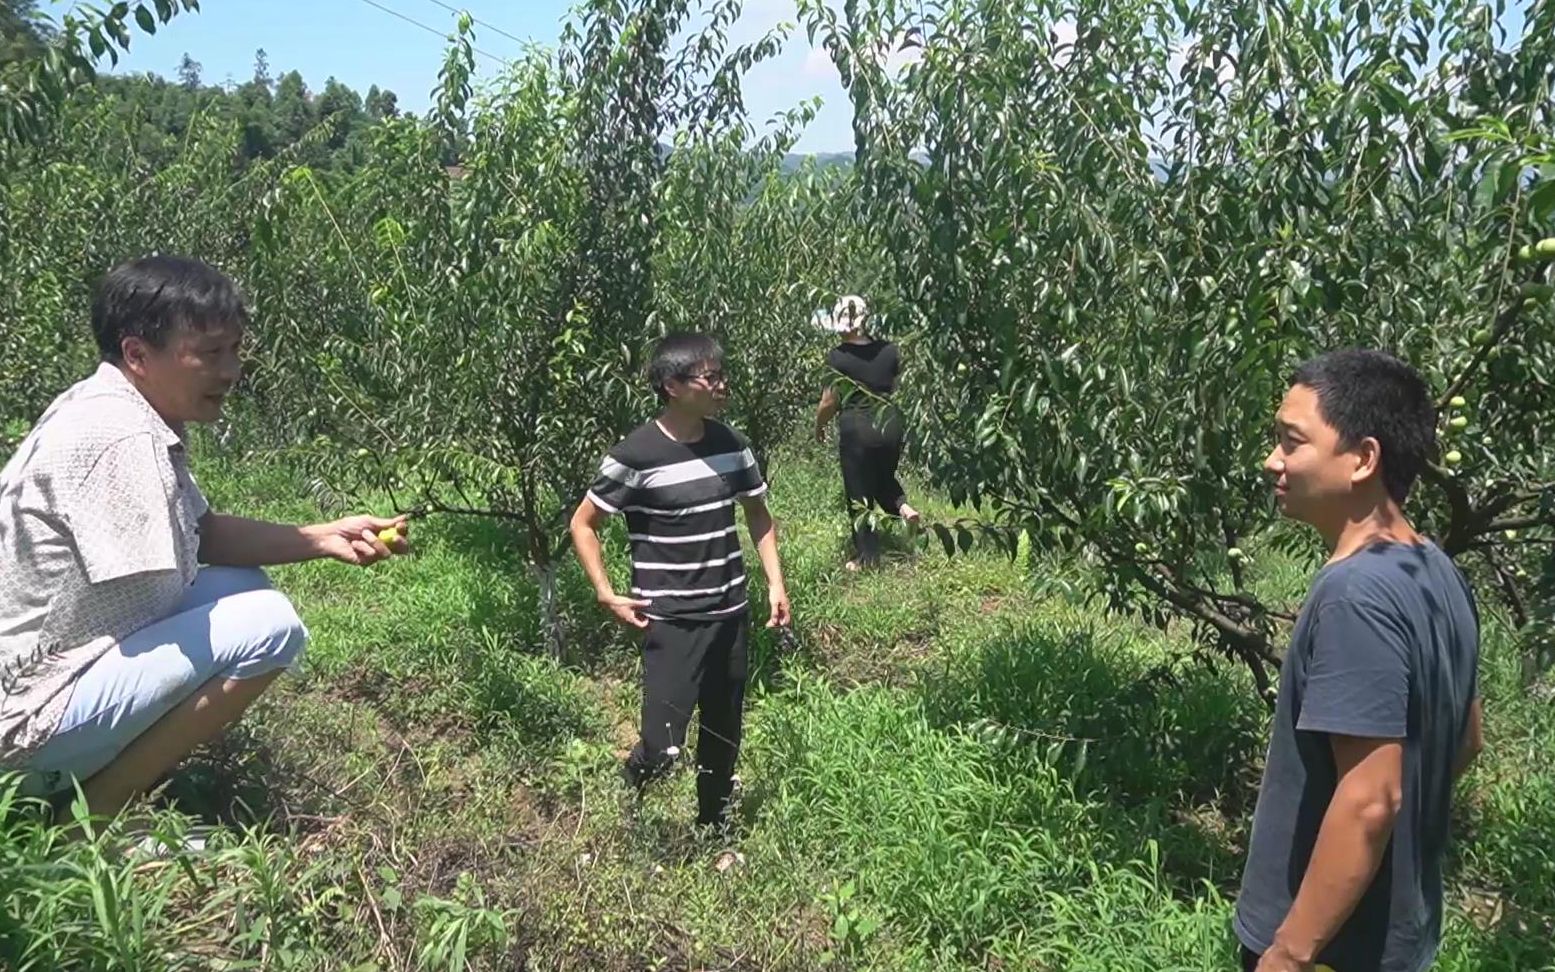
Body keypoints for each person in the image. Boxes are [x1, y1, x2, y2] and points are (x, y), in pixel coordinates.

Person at [0, 255, 409, 826]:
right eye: (211, 354)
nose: (231, 370)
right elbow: (165, 580)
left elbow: (200, 533)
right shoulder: (120, 439)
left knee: (241, 589)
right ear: (138, 354)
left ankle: (105, 783)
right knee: (270, 627)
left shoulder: (115, 404)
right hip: (23, 721)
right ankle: (93, 814)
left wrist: (324, 537)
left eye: (235, 350)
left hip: (41, 675)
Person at [1235, 349, 1483, 972]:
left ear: (1363, 458)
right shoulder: (1436, 569)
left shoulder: (1355, 596)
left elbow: (1371, 798)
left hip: (1332, 949)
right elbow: (1468, 737)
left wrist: (1289, 951)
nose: (1273, 460)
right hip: (1394, 937)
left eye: (1292, 442)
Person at [569, 332, 791, 832]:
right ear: (672, 385)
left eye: (721, 375)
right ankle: (634, 783)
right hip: (670, 620)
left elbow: (758, 514)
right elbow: (584, 524)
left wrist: (775, 584)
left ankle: (714, 824)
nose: (721, 385)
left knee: (723, 729)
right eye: (709, 377)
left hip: (729, 614)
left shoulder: (732, 447)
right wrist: (604, 591)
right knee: (664, 741)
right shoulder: (636, 454)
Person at [812, 295, 920, 570]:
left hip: (857, 428)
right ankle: (904, 509)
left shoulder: (838, 357)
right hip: (891, 424)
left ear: (840, 324)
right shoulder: (890, 350)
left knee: (859, 493)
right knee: (883, 476)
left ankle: (867, 558)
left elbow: (829, 400)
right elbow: (897, 384)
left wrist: (819, 425)